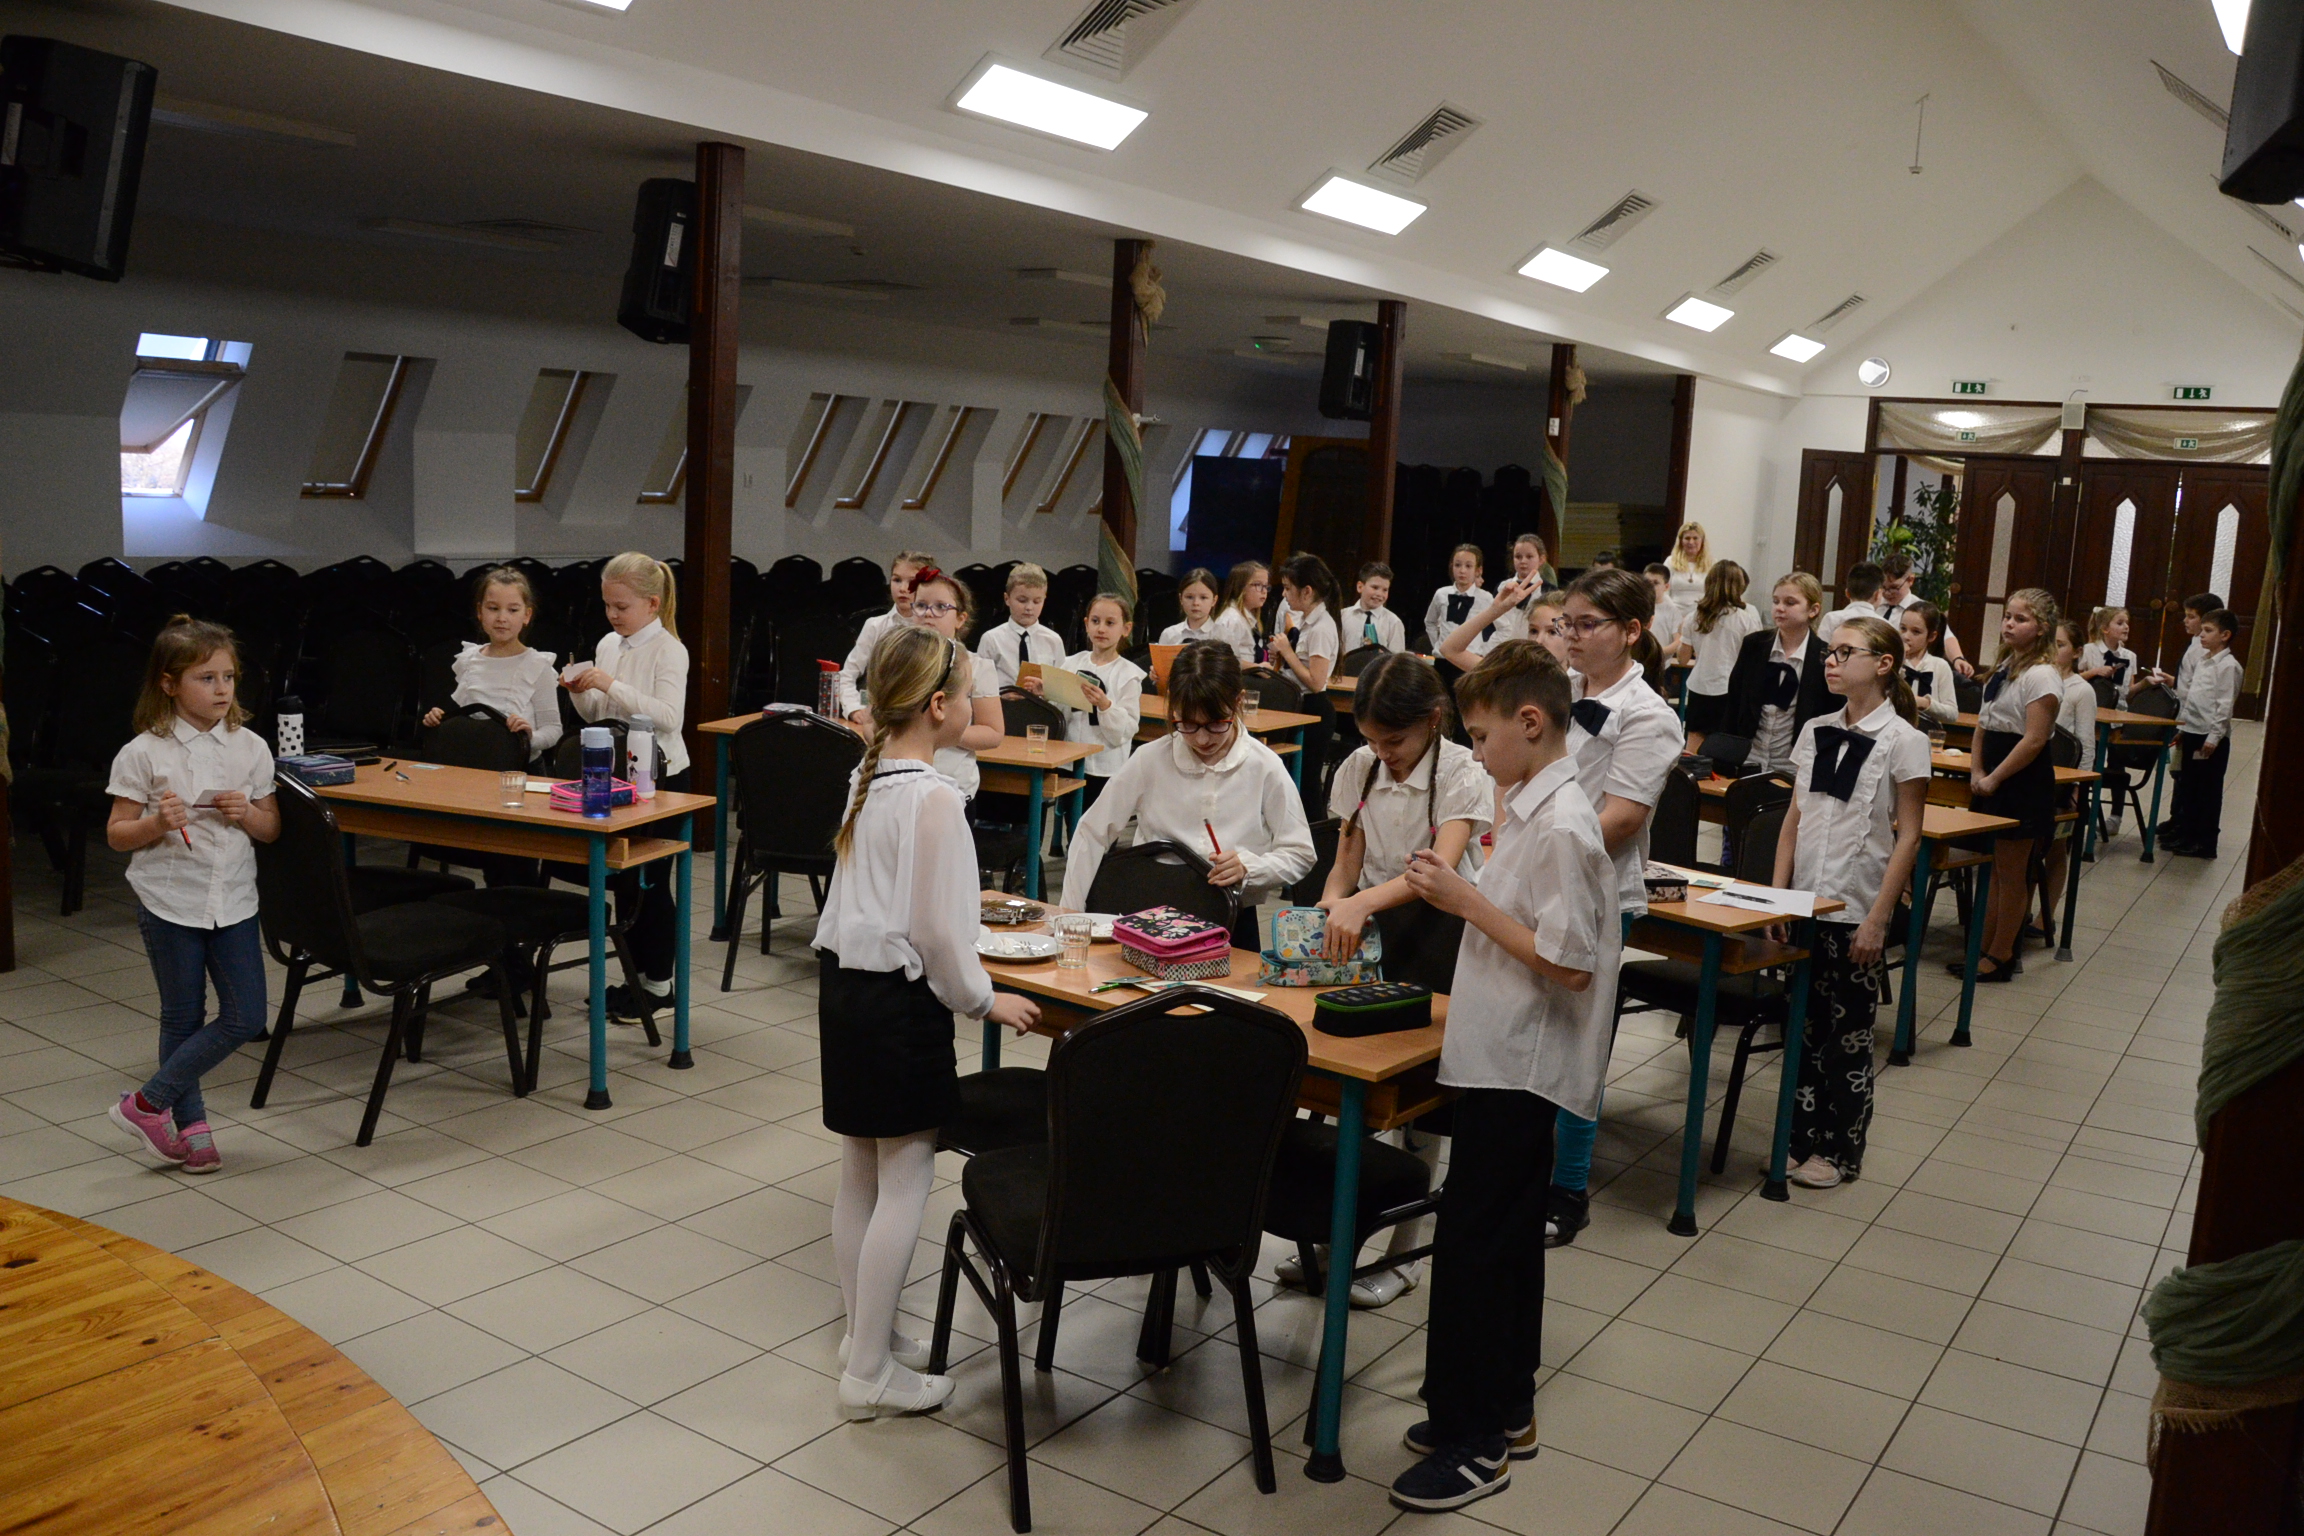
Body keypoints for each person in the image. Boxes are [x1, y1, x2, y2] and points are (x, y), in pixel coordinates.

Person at [1385, 640, 1617, 1513]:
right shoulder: (1531, 804)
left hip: (1522, 1064)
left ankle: (1475, 1440)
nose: (1474, 754)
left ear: (1530, 723)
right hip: (1500, 1053)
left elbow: (1570, 963)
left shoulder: (1562, 824)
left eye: (1481, 738)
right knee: (1504, 1241)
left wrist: (1464, 901)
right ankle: (1503, 1408)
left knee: (1479, 1248)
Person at [814, 626, 1042, 1419]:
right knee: (906, 1179)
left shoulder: (867, 776)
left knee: (859, 1174)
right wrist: (984, 1000)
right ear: (940, 706)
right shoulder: (937, 797)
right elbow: (938, 936)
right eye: (972, 693)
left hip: (844, 991)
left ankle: (862, 1336)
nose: (978, 706)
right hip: (897, 1007)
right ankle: (869, 1374)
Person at [1297, 653, 1494, 1308]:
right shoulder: (1360, 765)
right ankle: (1335, 1240)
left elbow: (1438, 869)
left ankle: (1405, 1254)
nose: (1385, 754)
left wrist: (1358, 904)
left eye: (1396, 741)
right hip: (1375, 924)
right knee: (1353, 1093)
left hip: (1440, 933)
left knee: (1419, 1107)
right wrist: (1333, 899)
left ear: (1434, 720)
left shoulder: (1462, 772)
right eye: (1373, 740)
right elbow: (1347, 853)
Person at [103, 617, 281, 1175]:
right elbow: (117, 834)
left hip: (234, 901)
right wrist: (156, 822)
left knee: (246, 1015)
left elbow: (270, 829)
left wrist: (247, 813)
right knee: (182, 1017)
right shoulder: (143, 752)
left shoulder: (251, 747)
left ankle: (145, 1104)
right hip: (170, 901)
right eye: (206, 678)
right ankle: (192, 1127)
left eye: (229, 677)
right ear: (169, 684)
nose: (222, 689)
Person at [1544, 568, 1681, 1248]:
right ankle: (1520, 1168)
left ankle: (1567, 1189)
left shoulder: (1649, 715)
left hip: (1596, 890)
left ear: (1631, 631)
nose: (1571, 636)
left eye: (1586, 624)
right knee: (1528, 1026)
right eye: (1565, 623)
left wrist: (1542, 850)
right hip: (1536, 879)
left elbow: (1622, 819)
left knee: (1581, 1039)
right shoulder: (1558, 691)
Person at [1771, 615, 1929, 1189]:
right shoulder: (1815, 729)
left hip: (1858, 908)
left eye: (1844, 653)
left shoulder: (1905, 740)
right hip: (1806, 903)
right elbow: (1793, 821)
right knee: (1802, 1030)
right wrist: (1779, 897)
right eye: (1828, 653)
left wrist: (1880, 918)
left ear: (1883, 664)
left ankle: (1840, 1150)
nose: (1830, 662)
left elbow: (1909, 835)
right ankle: (1798, 1138)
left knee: (1848, 1037)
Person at [1059, 641, 1312, 948]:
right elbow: (1091, 832)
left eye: (1216, 724)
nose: (1202, 739)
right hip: (1154, 914)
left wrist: (1251, 868)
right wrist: (1070, 917)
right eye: (1188, 724)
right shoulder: (1150, 759)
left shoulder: (1264, 766)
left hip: (1231, 922)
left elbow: (1300, 852)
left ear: (1238, 701)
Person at [565, 552, 692, 1021]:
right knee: (622, 881)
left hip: (662, 777)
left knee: (650, 883)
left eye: (622, 607)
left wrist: (610, 684)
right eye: (607, 606)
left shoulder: (669, 649)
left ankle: (660, 987)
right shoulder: (608, 643)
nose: (613, 615)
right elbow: (599, 716)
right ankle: (635, 980)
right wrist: (581, 692)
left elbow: (669, 717)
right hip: (614, 773)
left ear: (652, 604)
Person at [1957, 589, 2062, 982]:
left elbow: (2034, 739)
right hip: (1991, 772)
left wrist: (1996, 777)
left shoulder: (2042, 675)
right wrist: (1975, 771)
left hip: (2021, 779)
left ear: (2042, 628)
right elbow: (1983, 725)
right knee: (1994, 870)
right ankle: (1982, 948)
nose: (2009, 624)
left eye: (2021, 619)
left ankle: (2001, 955)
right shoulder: (2005, 666)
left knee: (2013, 871)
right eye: (2008, 617)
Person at [420, 566, 563, 760]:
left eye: (513, 610)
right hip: (472, 763)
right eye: (493, 608)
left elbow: (553, 729)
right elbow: (467, 720)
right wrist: (441, 720)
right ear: (480, 611)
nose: (502, 618)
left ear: (527, 615)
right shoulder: (468, 660)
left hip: (520, 767)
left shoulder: (537, 665)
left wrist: (530, 737)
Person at [900, 569, 1004, 799]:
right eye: (921, 605)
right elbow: (874, 722)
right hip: (902, 782)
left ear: (960, 619)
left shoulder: (978, 667)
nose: (929, 614)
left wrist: (938, 731)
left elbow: (993, 733)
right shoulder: (899, 661)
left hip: (954, 788)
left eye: (940, 607)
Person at [1726, 572, 1832, 773]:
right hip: (1750, 755)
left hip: (1794, 762)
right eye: (1776, 601)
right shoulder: (1754, 644)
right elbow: (1735, 700)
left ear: (1813, 610)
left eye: (1790, 603)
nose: (1779, 608)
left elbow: (1827, 713)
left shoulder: (1824, 656)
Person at [2161, 608, 2244, 859]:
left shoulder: (2228, 666)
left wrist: (2214, 737)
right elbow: (2194, 700)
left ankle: (2205, 842)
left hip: (2210, 738)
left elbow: (2224, 706)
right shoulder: (2204, 661)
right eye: (2203, 630)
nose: (2202, 635)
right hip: (2193, 731)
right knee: (2189, 787)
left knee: (2207, 791)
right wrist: (2183, 728)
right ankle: (2188, 834)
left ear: (2225, 635)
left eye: (2208, 631)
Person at [1058, 593, 1144, 805]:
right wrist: (1046, 691)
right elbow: (1060, 714)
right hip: (1068, 760)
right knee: (1071, 817)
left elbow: (1129, 728)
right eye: (1095, 621)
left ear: (1126, 629)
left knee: (1099, 820)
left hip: (1105, 765)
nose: (1101, 629)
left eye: (1110, 623)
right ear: (1086, 624)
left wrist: (1105, 706)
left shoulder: (1129, 675)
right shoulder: (1070, 664)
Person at [2041, 617, 2097, 930]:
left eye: (2060, 644)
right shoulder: (2039, 678)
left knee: (2056, 848)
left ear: (2076, 653)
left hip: (2062, 784)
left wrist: (2078, 786)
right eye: (2050, 642)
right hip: (2036, 775)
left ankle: (2045, 915)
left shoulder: (2081, 690)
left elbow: (2086, 744)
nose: (2053, 649)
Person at [835, 550, 937, 718]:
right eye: (897, 580)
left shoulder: (935, 627)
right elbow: (847, 675)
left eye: (912, 582)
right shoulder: (875, 626)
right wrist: (854, 709)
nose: (903, 589)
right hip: (876, 715)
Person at [1678, 560, 1759, 752]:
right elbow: (1754, 662)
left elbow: (1682, 658)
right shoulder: (1746, 619)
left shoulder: (1693, 617)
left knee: (1694, 742)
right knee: (1724, 746)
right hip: (1730, 689)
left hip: (1699, 686)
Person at [975, 563, 1065, 691]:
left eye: (1037, 601)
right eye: (1022, 600)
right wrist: (1002, 695)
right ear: (1007, 599)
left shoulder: (1053, 641)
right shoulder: (991, 639)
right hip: (1001, 703)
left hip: (1040, 703)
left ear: (1044, 600)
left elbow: (1061, 690)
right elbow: (979, 685)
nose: (1029, 607)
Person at [1267, 551, 1343, 694]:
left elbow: (1316, 684)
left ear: (1307, 592)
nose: (1283, 594)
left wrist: (1287, 652)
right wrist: (1280, 656)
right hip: (1291, 696)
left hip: (1309, 702)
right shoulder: (1304, 620)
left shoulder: (1321, 628)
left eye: (1288, 588)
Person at [1424, 544, 1494, 658]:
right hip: (1443, 658)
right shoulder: (1441, 594)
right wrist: (1438, 644)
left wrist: (1484, 649)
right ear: (1452, 567)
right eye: (1457, 565)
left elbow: (1504, 628)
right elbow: (1430, 622)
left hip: (1469, 658)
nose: (1462, 570)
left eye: (1468, 566)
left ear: (1478, 570)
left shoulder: (1485, 598)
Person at [1897, 601, 1961, 727]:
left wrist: (1925, 703)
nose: (1906, 636)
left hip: (1928, 731)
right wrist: (1899, 660)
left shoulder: (1939, 666)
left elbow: (1952, 714)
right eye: (1903, 628)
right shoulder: (1891, 661)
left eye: (1916, 632)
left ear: (1931, 636)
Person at [1484, 534, 1552, 648]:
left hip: (1534, 648)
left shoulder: (1549, 590)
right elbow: (1490, 621)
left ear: (1541, 559)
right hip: (1501, 647)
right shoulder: (1502, 587)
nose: (1523, 561)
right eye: (1518, 557)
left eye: (1529, 556)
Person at [2153, 592, 2223, 693]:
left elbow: (2202, 687)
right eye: (2186, 616)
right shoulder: (2196, 640)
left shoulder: (2204, 648)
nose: (2185, 620)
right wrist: (2175, 681)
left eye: (2191, 617)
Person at [1208, 560, 1271, 666]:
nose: (1264, 591)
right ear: (1241, 587)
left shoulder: (1249, 617)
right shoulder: (1232, 619)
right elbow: (1223, 659)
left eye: (1266, 586)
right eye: (1258, 585)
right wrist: (1258, 667)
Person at [1339, 561, 1408, 654]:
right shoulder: (1342, 616)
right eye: (1375, 587)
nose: (1379, 594)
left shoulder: (1393, 622)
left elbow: (1397, 657)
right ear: (1360, 587)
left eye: (1385, 590)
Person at [2082, 605, 2137, 709]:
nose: (2126, 627)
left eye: (2127, 623)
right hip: (2090, 708)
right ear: (2105, 629)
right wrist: (2095, 671)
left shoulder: (2131, 656)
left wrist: (2146, 682)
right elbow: (2073, 680)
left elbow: (2128, 692)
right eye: (2120, 623)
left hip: (2119, 711)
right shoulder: (2088, 650)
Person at [1819, 561, 1884, 639]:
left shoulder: (1831, 619)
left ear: (1847, 593)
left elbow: (1821, 646)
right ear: (1878, 594)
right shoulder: (1885, 625)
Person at [1158, 567, 1222, 645]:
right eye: (1189, 597)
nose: (1196, 603)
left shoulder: (1224, 636)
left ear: (1214, 600)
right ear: (1181, 599)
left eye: (1203, 597)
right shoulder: (1169, 634)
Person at [1666, 521, 1712, 610]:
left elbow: (1714, 593)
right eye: (1687, 538)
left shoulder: (1711, 564)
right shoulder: (1670, 562)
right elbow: (1663, 591)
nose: (1691, 542)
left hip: (1702, 612)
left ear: (1702, 541)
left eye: (1695, 538)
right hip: (1673, 612)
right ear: (1680, 541)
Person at [1642, 563, 1683, 653]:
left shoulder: (1673, 611)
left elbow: (1678, 641)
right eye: (1647, 582)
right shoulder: (1636, 606)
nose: (1650, 586)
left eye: (1656, 583)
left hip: (1662, 658)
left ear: (1666, 587)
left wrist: (1658, 653)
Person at [1875, 552, 1920, 627]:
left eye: (1894, 588)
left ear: (1910, 580)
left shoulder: (1920, 610)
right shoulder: (1874, 603)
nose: (1887, 593)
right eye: (1883, 587)